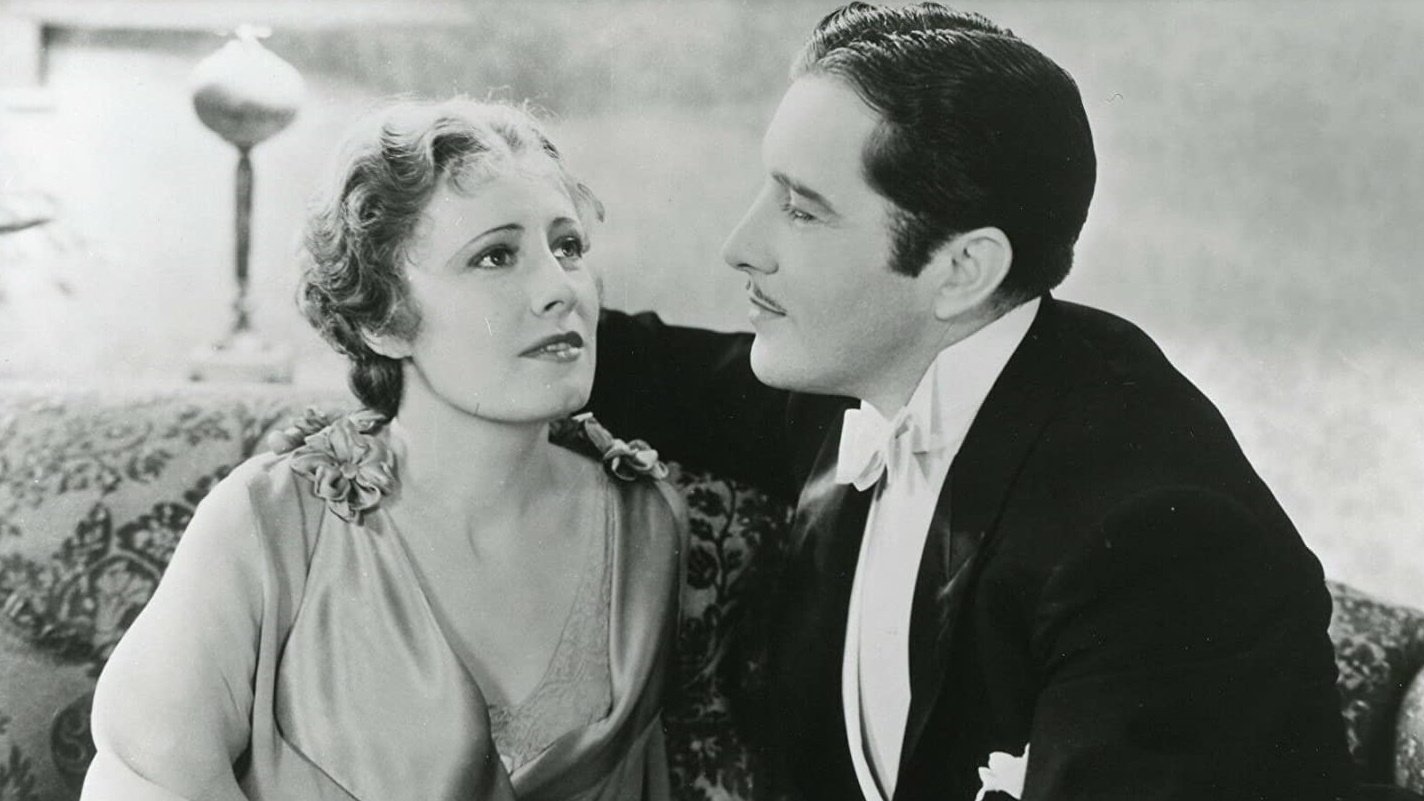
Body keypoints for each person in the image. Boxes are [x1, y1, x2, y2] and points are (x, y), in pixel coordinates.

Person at [588, 4, 1376, 799]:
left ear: (963, 269)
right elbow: (650, 370)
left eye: (802, 208)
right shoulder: (877, 369)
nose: (740, 245)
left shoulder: (1153, 546)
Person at [82, 98, 685, 801]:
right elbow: (143, 772)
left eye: (569, 247)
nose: (560, 289)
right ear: (385, 319)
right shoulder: (271, 523)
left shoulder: (645, 524)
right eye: (496, 256)